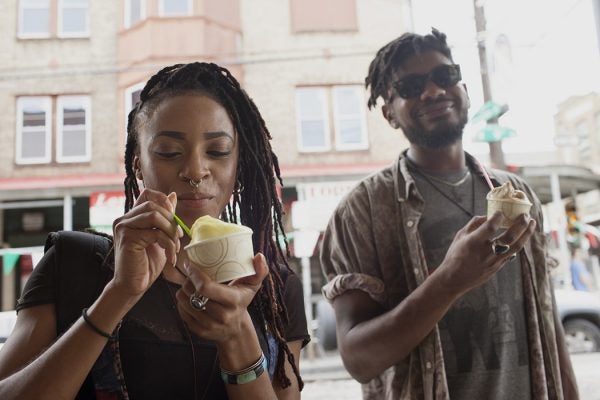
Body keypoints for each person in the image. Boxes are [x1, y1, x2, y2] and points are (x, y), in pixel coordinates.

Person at [0, 62, 309, 399]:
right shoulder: (73, 263)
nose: (195, 170)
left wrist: (236, 336)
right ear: (138, 164)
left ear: (238, 166)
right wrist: (118, 294)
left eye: (218, 152)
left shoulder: (274, 289)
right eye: (169, 152)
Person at [320, 29, 578, 400]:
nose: (433, 92)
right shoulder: (361, 210)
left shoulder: (518, 196)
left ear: (465, 89)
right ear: (389, 113)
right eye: (410, 86)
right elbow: (359, 359)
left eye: (444, 77)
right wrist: (449, 281)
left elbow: (548, 325)